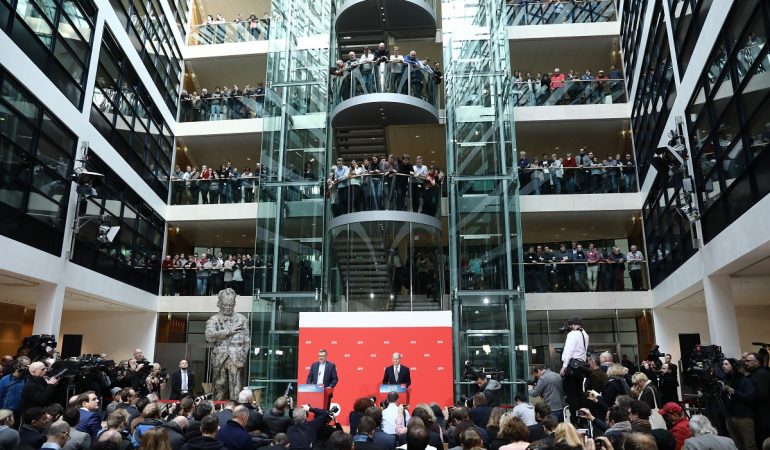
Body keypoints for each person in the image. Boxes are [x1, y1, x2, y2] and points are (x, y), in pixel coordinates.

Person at [205, 288, 250, 400]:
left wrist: (243, 358)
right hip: (219, 358)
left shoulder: (242, 319)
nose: (228, 307)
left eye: (231, 305)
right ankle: (216, 411)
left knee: (236, 388)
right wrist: (228, 332)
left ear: (234, 304)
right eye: (225, 304)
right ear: (219, 304)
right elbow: (209, 336)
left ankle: (236, 411)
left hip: (236, 359)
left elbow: (246, 341)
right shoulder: (213, 320)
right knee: (218, 387)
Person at [722, 358, 756, 450]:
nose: (723, 366)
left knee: (749, 445)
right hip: (730, 417)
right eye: (723, 364)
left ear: (733, 366)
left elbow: (750, 398)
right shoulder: (725, 381)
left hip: (744, 417)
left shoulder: (744, 381)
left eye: (726, 364)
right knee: (735, 445)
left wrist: (734, 392)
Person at [560, 316, 589, 424]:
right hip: (581, 367)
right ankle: (581, 418)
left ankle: (574, 419)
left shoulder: (572, 334)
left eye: (570, 325)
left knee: (571, 395)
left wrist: (564, 366)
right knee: (579, 393)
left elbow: (568, 351)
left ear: (574, 325)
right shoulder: (585, 334)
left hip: (572, 367)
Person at [746, 352, 770, 445]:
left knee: (764, 441)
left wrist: (748, 397)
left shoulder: (761, 374)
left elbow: (762, 394)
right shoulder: (756, 373)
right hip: (760, 413)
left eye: (748, 361)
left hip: (764, 415)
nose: (745, 363)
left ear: (756, 362)